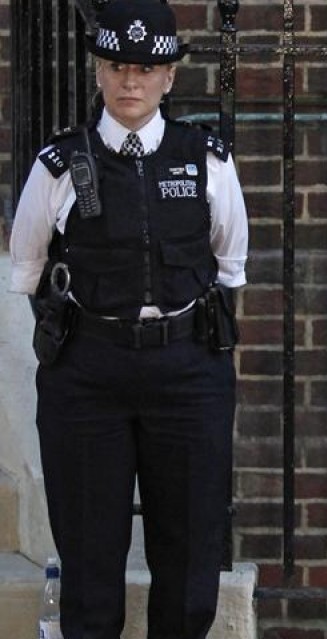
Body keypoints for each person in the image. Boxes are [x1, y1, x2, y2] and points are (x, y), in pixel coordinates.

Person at [8, 1, 248, 638]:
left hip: (188, 370)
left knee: (192, 554)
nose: (131, 81)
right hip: (89, 375)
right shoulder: (59, 165)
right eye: (117, 65)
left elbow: (230, 268)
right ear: (98, 71)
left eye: (146, 67)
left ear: (170, 75)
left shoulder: (208, 161)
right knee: (89, 560)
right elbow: (28, 269)